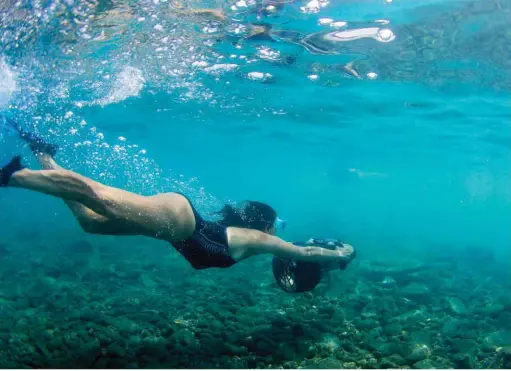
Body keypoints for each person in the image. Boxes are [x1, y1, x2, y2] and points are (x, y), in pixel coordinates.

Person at [0, 119, 355, 270]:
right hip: (178, 221)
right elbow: (303, 252)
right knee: (101, 197)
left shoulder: (249, 239)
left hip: (173, 226)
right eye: (278, 223)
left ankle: (42, 153)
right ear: (264, 224)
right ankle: (12, 175)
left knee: (91, 222)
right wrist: (342, 252)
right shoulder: (257, 239)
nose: (278, 230)